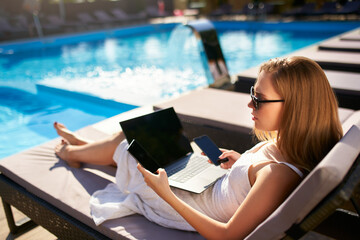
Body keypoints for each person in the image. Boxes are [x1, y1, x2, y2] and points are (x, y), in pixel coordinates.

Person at [54, 56, 343, 239]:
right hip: (208, 185)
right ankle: (85, 145)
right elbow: (259, 179)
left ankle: (71, 152)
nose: (249, 103)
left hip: (182, 205)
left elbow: (227, 236)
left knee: (129, 143)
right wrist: (240, 162)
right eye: (252, 93)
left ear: (294, 108)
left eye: (259, 98)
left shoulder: (279, 175)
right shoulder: (286, 146)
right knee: (140, 138)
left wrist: (165, 194)